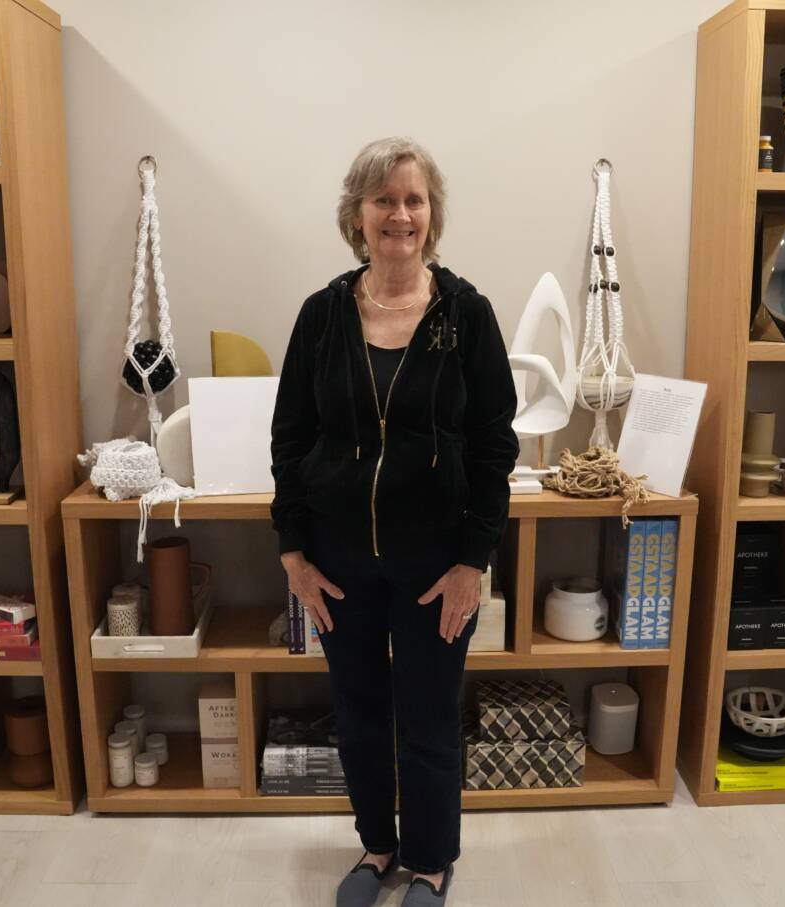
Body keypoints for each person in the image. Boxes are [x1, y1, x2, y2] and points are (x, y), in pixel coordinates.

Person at [270, 137, 518, 907]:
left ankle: (431, 861)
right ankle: (377, 846)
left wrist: (472, 561)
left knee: (430, 714)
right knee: (359, 714)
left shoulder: (464, 316)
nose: (400, 215)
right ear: (357, 215)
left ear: (431, 214)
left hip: (434, 566)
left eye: (413, 199)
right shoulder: (321, 317)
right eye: (384, 200)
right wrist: (293, 553)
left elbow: (493, 444)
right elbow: (288, 438)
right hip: (338, 562)